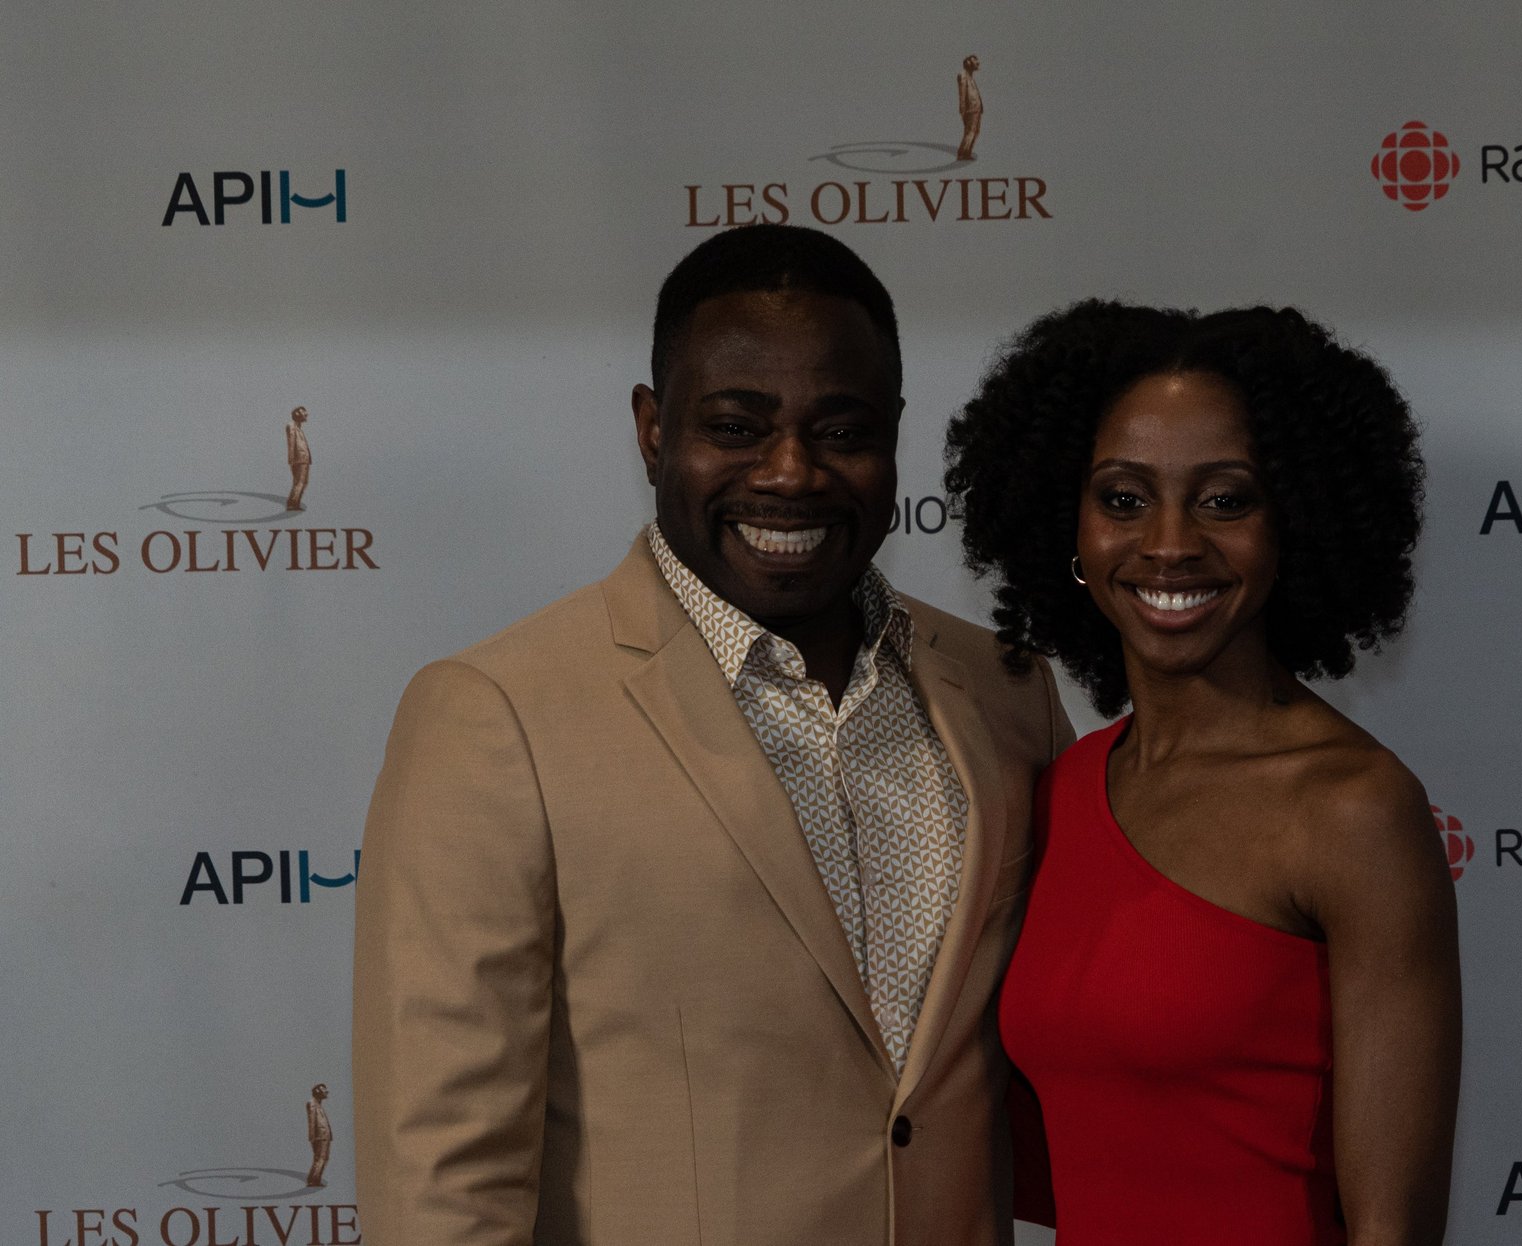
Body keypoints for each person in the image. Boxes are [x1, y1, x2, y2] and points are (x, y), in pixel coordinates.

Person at [352, 223, 1072, 1246]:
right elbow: (441, 1173)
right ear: (653, 430)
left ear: (894, 434)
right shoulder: (494, 715)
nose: (791, 473)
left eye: (841, 430)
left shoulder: (1006, 689)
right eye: (736, 426)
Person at [945, 301, 1460, 1245]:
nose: (1171, 543)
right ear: (1066, 521)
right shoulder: (1062, 789)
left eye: (1225, 500)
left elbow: (1392, 1230)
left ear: (1295, 520)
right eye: (1123, 499)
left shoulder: (1354, 810)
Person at [304, 1083, 332, 1188]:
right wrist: (312, 1137)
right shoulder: (312, 1103)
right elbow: (312, 1121)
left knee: (321, 1158)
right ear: (317, 1091)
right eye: (324, 1090)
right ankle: (313, 1181)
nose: (326, 1091)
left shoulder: (318, 1104)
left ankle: (313, 1179)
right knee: (321, 1158)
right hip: (320, 1136)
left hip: (323, 1136)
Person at [956, 55, 983, 161]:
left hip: (976, 109)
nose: (977, 63)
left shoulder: (970, 76)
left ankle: (967, 153)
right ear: (968, 63)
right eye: (975, 61)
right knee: (970, 132)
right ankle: (962, 153)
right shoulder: (963, 75)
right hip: (970, 109)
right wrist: (962, 109)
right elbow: (962, 94)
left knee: (975, 132)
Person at [285, 405, 311, 511]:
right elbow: (291, 443)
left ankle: (294, 502)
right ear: (297, 414)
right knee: (300, 482)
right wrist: (291, 458)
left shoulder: (298, 427)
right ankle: (292, 503)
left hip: (303, 459)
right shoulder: (291, 425)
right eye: (303, 412)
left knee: (303, 482)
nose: (306, 414)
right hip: (299, 459)